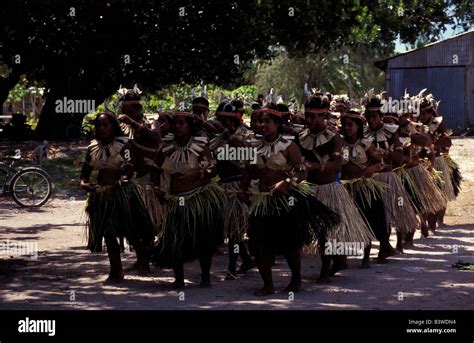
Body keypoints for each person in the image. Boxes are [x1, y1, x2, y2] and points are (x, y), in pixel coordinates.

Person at [238, 103, 339, 296]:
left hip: (286, 201)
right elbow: (249, 171)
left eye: (267, 121)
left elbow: (301, 172)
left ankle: (296, 279)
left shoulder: (289, 146)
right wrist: (242, 189)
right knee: (258, 242)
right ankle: (268, 284)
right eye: (259, 121)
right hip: (261, 200)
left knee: (289, 243)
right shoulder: (252, 145)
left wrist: (285, 182)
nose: (262, 125)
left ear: (277, 124)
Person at [298, 94, 375, 282]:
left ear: (324, 115)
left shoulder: (334, 139)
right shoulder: (300, 137)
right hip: (307, 190)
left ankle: (325, 270)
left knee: (326, 233)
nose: (308, 120)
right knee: (301, 231)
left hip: (328, 190)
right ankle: (303, 273)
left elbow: (337, 165)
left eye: (313, 116)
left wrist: (316, 166)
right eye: (307, 116)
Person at [80, 111, 155, 283]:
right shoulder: (92, 147)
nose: (102, 128)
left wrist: (115, 186)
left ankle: (143, 259)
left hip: (123, 193)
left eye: (106, 124)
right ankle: (116, 271)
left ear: (113, 126)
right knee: (108, 232)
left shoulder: (124, 145)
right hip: (101, 194)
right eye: (99, 125)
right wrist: (84, 184)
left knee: (130, 229)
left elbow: (129, 169)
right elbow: (85, 172)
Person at [153, 110, 225, 289]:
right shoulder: (167, 147)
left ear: (190, 126)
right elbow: (155, 168)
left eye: (181, 123)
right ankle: (178, 279)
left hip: (197, 198)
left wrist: (197, 172)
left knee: (202, 239)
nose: (177, 126)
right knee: (176, 240)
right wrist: (156, 189)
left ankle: (205, 278)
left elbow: (213, 171)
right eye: (175, 123)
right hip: (176, 200)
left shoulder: (200, 145)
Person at [363, 92, 418, 254]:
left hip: (388, 178)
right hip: (367, 179)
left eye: (374, 116)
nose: (371, 120)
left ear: (381, 116)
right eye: (368, 116)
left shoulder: (391, 131)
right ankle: (367, 254)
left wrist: (385, 154)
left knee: (389, 215)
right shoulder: (362, 132)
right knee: (368, 215)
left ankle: (385, 248)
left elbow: (399, 158)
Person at [116, 86, 162, 272]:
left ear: (138, 109)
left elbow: (155, 138)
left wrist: (133, 123)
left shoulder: (152, 123)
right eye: (124, 110)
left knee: (149, 222)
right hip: (129, 182)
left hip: (148, 181)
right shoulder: (121, 129)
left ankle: (147, 260)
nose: (126, 113)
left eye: (130, 110)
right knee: (129, 223)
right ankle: (141, 257)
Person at [210, 99, 255, 279]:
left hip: (239, 185)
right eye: (219, 119)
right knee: (231, 229)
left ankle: (231, 267)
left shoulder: (246, 134)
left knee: (235, 229)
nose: (220, 123)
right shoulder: (217, 138)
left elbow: (247, 153)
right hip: (222, 186)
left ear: (231, 120)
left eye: (224, 120)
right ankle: (245, 259)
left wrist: (229, 138)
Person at [340, 110, 388, 267]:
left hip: (363, 187)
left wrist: (371, 170)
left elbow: (381, 162)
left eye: (350, 125)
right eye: (344, 124)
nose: (346, 128)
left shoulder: (365, 144)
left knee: (367, 218)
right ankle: (343, 257)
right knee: (344, 220)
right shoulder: (338, 143)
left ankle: (366, 256)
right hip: (344, 187)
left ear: (358, 126)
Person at [417, 90, 461, 228]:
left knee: (441, 191)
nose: (422, 116)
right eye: (420, 113)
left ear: (431, 113)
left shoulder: (437, 123)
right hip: (421, 163)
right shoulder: (415, 125)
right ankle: (425, 221)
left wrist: (433, 143)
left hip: (437, 162)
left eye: (425, 113)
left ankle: (439, 220)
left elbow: (447, 142)